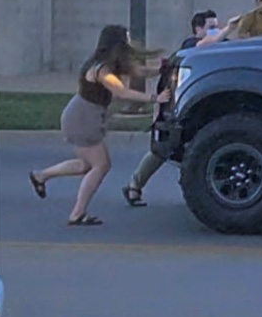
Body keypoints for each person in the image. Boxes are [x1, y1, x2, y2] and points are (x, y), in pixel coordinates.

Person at [29, 25, 167, 226]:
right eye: (126, 39)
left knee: (86, 165)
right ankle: (77, 213)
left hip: (82, 116)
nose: (129, 43)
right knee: (101, 165)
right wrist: (155, 98)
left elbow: (139, 71)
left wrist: (161, 70)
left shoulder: (109, 64)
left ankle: (41, 176)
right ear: (117, 43)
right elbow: (121, 92)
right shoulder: (101, 69)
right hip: (82, 119)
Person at [121, 11, 222, 207]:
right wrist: (227, 30)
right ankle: (134, 185)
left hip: (195, 106)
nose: (215, 31)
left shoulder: (216, 45)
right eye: (211, 27)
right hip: (173, 106)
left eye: (217, 27)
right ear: (198, 29)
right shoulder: (190, 44)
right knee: (163, 149)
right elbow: (202, 46)